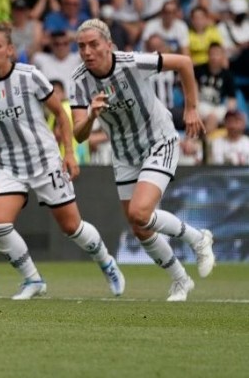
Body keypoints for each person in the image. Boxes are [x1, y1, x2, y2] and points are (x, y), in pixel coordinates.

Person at [0, 24, 125, 300]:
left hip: (45, 161)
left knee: (71, 227)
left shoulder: (30, 76)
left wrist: (69, 154)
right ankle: (33, 279)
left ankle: (107, 263)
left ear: (10, 50)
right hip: (8, 165)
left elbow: (61, 115)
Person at [70, 19, 216, 301]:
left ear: (109, 45)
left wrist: (191, 109)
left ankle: (198, 239)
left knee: (140, 213)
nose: (87, 51)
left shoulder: (132, 62)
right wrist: (90, 116)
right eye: (81, 46)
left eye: (93, 44)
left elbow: (184, 62)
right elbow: (78, 134)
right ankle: (180, 280)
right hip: (124, 155)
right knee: (139, 227)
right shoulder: (79, 80)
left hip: (159, 141)